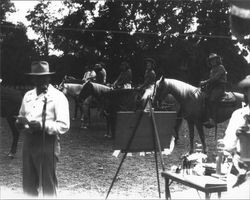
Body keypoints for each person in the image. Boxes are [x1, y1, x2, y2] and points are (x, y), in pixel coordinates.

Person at [15, 61, 70, 197]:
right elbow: (22, 115)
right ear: (32, 78)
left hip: (47, 143)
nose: (39, 80)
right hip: (28, 142)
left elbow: (64, 125)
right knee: (28, 184)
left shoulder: (57, 97)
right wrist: (19, 123)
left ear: (49, 77)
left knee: (48, 185)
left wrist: (43, 125)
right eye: (36, 77)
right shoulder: (28, 95)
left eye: (43, 76)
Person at [221, 75, 250, 199]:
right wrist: (236, 134)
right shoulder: (238, 115)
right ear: (247, 93)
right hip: (238, 170)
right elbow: (227, 146)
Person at [200, 53, 227, 128]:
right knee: (204, 97)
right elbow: (212, 80)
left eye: (214, 59)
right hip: (213, 87)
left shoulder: (221, 67)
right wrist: (205, 85)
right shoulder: (212, 69)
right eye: (211, 60)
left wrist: (205, 82)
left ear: (217, 60)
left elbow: (215, 78)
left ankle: (213, 120)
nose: (213, 61)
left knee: (212, 99)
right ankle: (205, 117)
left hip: (220, 87)